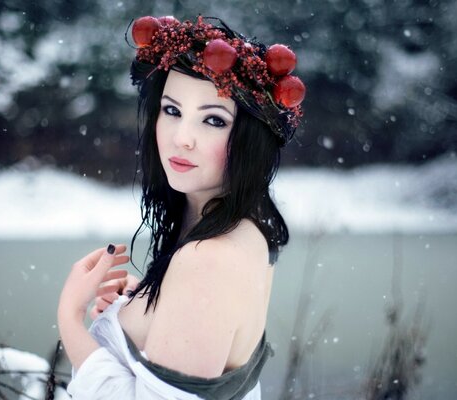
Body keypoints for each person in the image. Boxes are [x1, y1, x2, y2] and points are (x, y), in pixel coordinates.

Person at [58, 15, 305, 399]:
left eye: (213, 120)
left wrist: (70, 318)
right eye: (172, 111)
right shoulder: (240, 227)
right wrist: (141, 305)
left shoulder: (208, 258)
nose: (182, 138)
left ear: (250, 139)